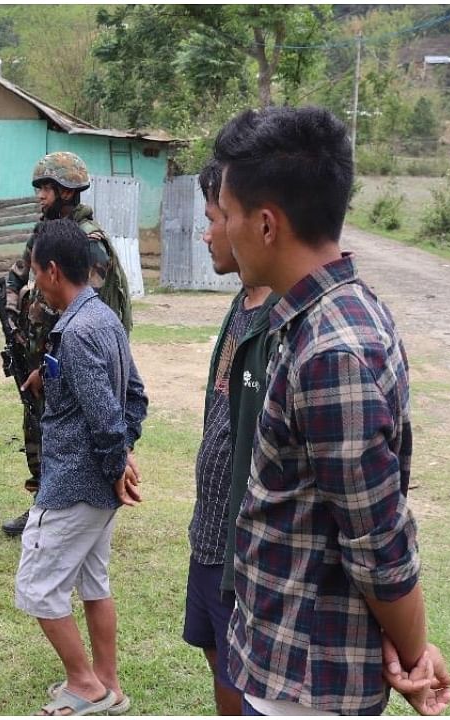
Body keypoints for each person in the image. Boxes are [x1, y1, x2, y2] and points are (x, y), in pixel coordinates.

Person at [213, 106, 450, 716]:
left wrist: (415, 648)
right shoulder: (326, 316)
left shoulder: (331, 352)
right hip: (291, 659)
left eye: (230, 214)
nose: (223, 229)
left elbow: (377, 538)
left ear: (266, 225)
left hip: (308, 681)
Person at [13, 218, 147, 716]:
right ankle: (107, 683)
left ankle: (85, 685)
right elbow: (135, 396)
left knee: (36, 588)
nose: (32, 285)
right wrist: (123, 455)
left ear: (52, 271)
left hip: (74, 484)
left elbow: (107, 414)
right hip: (98, 487)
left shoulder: (77, 332)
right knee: (94, 582)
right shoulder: (105, 319)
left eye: (34, 273)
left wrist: (118, 461)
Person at [180, 159, 277, 716]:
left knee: (251, 676)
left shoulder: (282, 324)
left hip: (245, 550)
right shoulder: (239, 307)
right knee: (217, 654)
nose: (207, 231)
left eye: (215, 217)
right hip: (210, 534)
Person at [1, 151, 133, 537]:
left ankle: (83, 506)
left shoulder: (89, 242)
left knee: (72, 432)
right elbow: (16, 275)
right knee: (37, 428)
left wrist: (51, 363)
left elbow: (84, 313)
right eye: (40, 187)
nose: (40, 195)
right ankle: (43, 502)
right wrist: (13, 319)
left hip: (70, 359)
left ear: (66, 191)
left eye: (46, 187)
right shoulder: (44, 231)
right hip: (39, 357)